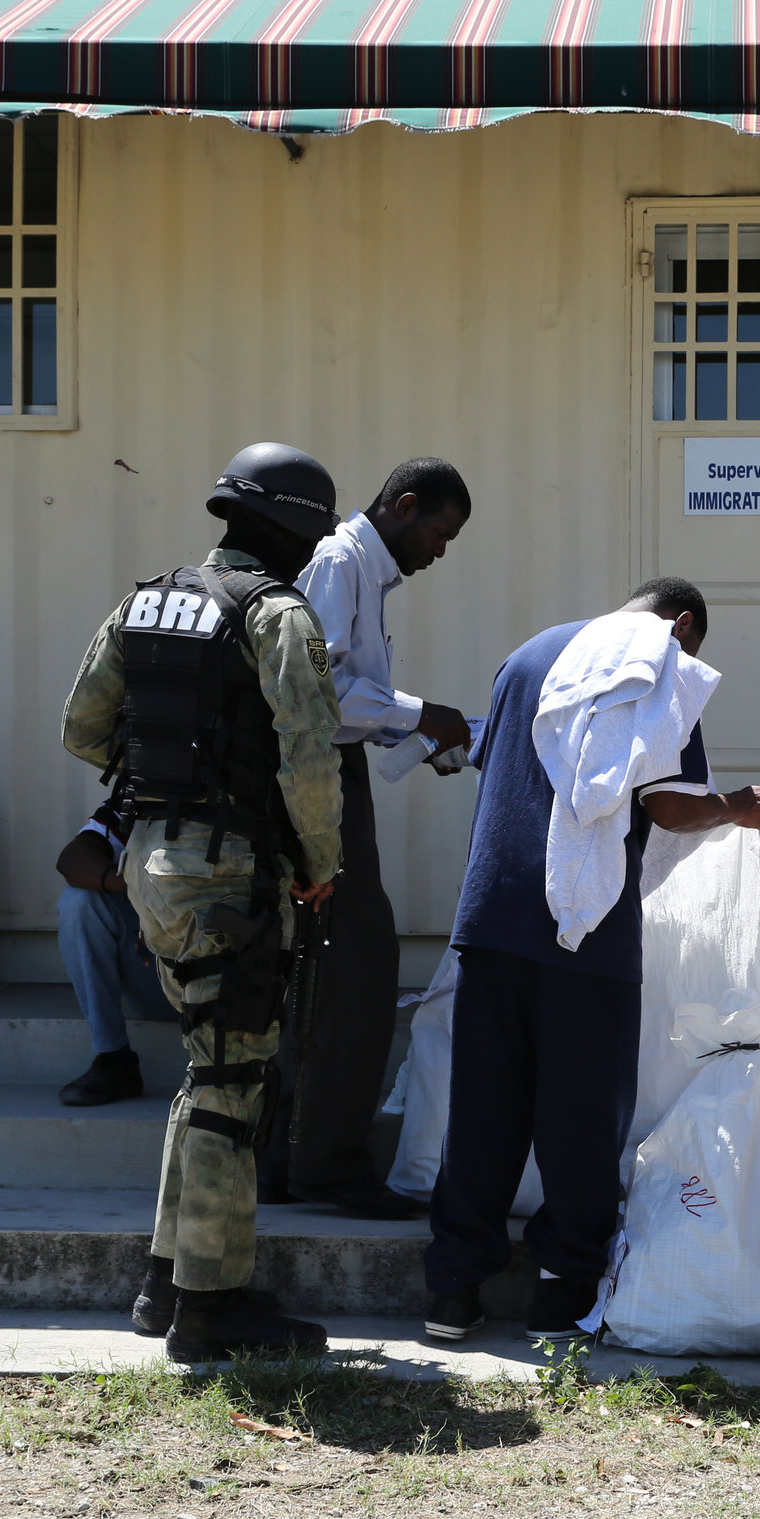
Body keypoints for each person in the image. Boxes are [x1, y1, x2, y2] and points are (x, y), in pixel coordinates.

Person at [424, 578, 760, 1344]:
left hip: (490, 916)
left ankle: (453, 1288)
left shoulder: (524, 659)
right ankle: (562, 1291)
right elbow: (671, 806)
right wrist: (738, 808)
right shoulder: (658, 662)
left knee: (484, 1106)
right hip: (588, 928)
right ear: (681, 623)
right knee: (581, 1113)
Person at [60, 444, 346, 1360]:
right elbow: (310, 756)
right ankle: (212, 1310)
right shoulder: (278, 614)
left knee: (207, 1072)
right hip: (229, 870)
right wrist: (320, 863)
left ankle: (164, 1282)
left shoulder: (145, 599)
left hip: (148, 860)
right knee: (236, 1087)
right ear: (298, 528)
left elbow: (81, 729)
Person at [269, 457, 474, 1219]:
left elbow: (356, 701)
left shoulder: (361, 569)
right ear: (406, 505)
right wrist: (422, 715)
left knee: (325, 979)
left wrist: (424, 737)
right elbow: (316, 693)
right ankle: (326, 1169)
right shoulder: (339, 560)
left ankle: (290, 1162)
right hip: (314, 784)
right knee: (354, 975)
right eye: (440, 532)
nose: (439, 550)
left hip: (332, 775)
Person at [52, 800, 180, 1106]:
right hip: (160, 976)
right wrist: (145, 898)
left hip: (233, 983)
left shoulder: (246, 781)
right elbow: (73, 860)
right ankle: (113, 1057)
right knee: (79, 901)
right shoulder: (147, 789)